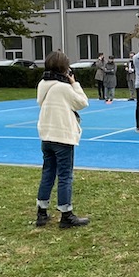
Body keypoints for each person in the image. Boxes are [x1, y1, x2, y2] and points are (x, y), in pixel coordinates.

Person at [35, 50, 89, 228]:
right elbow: (82, 102)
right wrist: (74, 83)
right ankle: (66, 214)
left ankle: (41, 212)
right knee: (65, 175)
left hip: (47, 134)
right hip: (62, 135)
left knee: (48, 172)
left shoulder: (43, 84)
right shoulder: (64, 88)